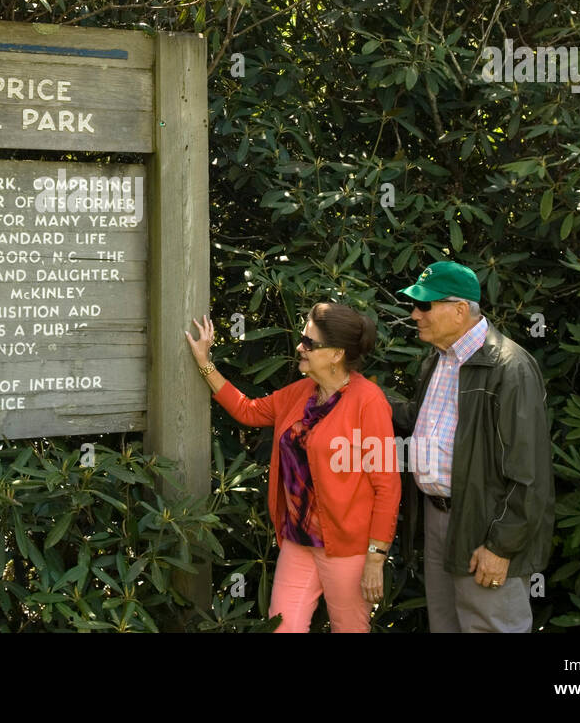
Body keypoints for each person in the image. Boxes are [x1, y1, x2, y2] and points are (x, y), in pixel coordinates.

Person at [185, 302, 400, 632]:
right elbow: (250, 411)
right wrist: (204, 363)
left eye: (310, 343)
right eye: (303, 338)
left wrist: (375, 556)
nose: (300, 347)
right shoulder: (301, 392)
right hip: (298, 541)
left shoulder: (368, 401)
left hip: (347, 548)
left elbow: (386, 485)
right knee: (282, 626)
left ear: (336, 354)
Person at [391, 260, 554, 633]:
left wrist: (501, 547)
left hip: (485, 524)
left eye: (425, 306)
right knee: (445, 625)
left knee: (492, 627)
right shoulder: (438, 359)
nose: (415, 314)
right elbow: (422, 418)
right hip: (439, 518)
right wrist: (361, 400)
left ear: (460, 309)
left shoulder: (509, 368)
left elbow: (528, 471)